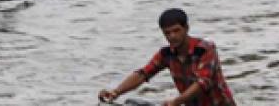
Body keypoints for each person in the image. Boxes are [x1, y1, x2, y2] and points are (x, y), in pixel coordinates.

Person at [98, 9, 235, 106]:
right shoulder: (166, 54)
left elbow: (202, 83)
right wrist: (116, 92)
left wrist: (177, 101)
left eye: (176, 31)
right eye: (167, 33)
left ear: (186, 28)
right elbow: (143, 73)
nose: (172, 36)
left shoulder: (205, 49)